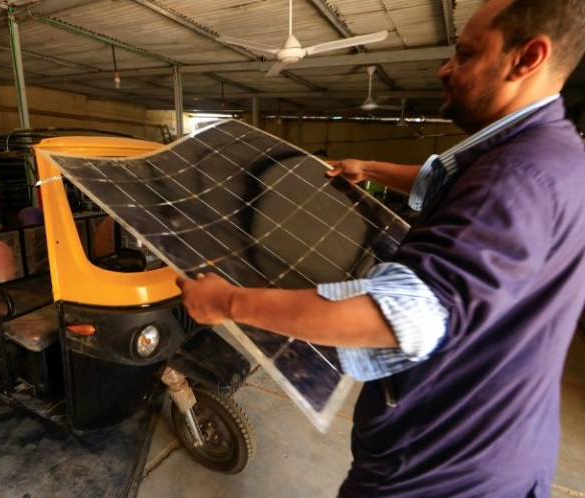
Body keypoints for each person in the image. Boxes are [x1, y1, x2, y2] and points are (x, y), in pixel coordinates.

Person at [176, 0, 585, 496]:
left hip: (437, 467)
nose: (444, 68)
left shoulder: (512, 179)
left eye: (466, 54)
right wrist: (368, 169)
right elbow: (450, 184)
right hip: (510, 443)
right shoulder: (560, 155)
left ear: (528, 59)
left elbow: (396, 316)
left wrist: (225, 302)